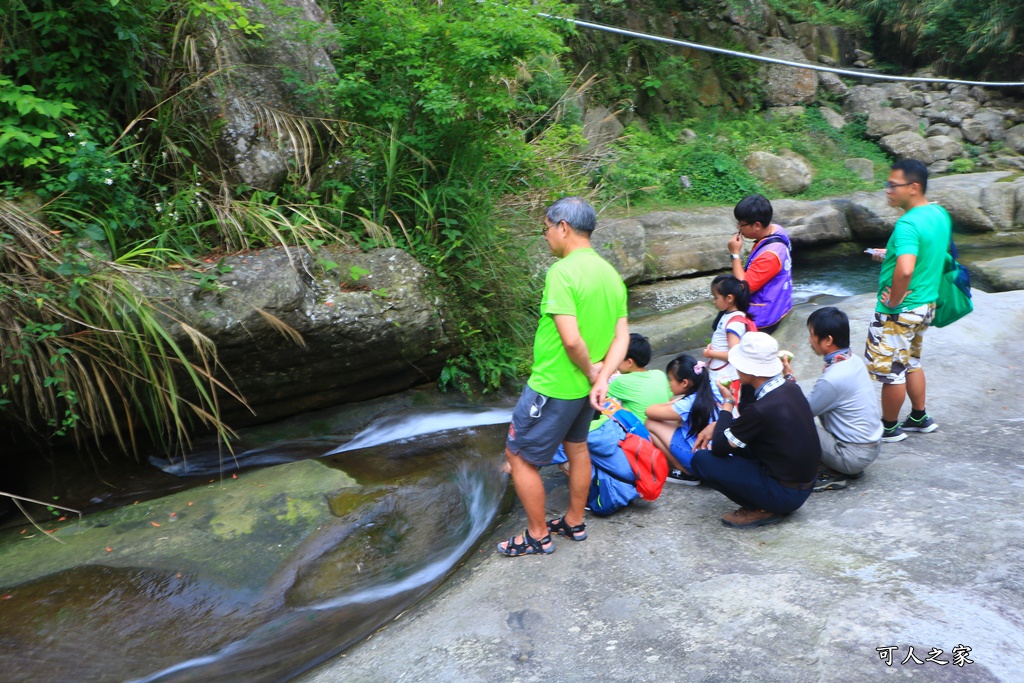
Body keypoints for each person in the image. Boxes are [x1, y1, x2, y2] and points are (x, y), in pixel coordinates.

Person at [498, 197, 629, 557]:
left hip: (553, 386)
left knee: (519, 456)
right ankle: (574, 521)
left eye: (546, 228)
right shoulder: (609, 274)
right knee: (578, 448)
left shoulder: (563, 272)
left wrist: (590, 371)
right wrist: (601, 379)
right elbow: (622, 337)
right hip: (586, 391)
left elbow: (571, 339)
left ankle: (538, 535)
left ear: (563, 227)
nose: (545, 237)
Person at [686, 332, 820, 528]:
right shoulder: (791, 387)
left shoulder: (760, 409)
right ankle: (767, 499)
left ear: (752, 370)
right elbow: (748, 425)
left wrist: (728, 403)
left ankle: (761, 508)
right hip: (804, 484)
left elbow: (720, 448)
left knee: (702, 460)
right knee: (740, 440)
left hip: (785, 495)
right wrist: (718, 426)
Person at [864, 159, 950, 443]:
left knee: (892, 371)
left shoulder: (907, 223)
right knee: (911, 361)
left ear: (913, 187)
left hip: (900, 311)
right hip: (926, 305)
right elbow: (935, 254)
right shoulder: (938, 214)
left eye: (892, 185)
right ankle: (919, 416)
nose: (887, 190)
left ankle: (889, 428)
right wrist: (887, 252)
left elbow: (906, 269)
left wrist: (893, 301)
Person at [781, 306, 882, 492]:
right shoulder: (853, 360)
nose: (810, 340)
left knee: (792, 423)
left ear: (828, 340)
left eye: (812, 335)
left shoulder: (833, 378)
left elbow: (801, 411)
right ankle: (843, 466)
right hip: (869, 448)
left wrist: (788, 378)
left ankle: (834, 472)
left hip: (852, 455)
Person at [645, 354, 719, 485]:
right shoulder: (712, 386)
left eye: (670, 379)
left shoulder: (687, 405)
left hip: (702, 463)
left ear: (684, 383)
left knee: (651, 423)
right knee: (671, 421)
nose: (668, 383)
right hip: (719, 458)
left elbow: (649, 411)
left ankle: (686, 473)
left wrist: (677, 401)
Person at [727, 194, 793, 334]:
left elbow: (743, 288)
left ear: (757, 225)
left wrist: (735, 254)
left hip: (764, 318)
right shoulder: (776, 230)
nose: (739, 227)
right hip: (780, 303)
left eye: (741, 224)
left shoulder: (770, 256)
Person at [703, 274, 754, 402]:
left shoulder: (735, 322)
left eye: (716, 297)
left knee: (727, 409)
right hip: (721, 375)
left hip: (727, 378)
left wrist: (710, 353)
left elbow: (734, 354)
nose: (714, 301)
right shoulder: (728, 316)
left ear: (729, 298)